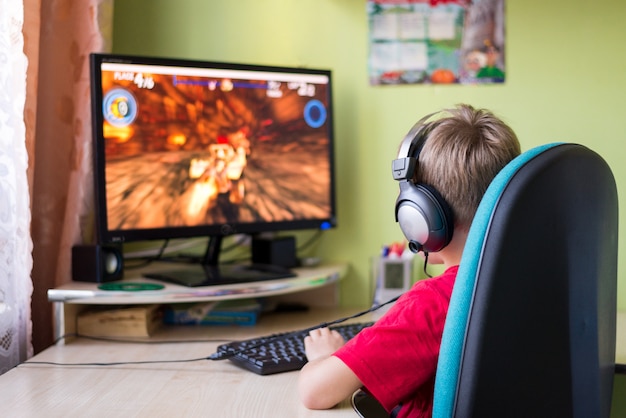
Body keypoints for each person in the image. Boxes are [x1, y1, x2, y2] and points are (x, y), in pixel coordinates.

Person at [298, 104, 521, 417]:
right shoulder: (535, 281)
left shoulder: (434, 305)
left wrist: (325, 357)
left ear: (420, 215)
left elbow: (315, 392)